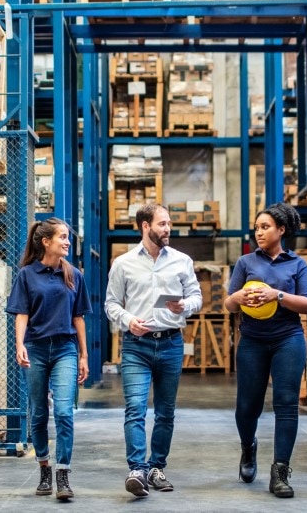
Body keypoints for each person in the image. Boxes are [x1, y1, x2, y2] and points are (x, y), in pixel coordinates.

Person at [105, 203, 203, 498]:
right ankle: (137, 469)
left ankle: (157, 467)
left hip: (172, 342)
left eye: (169, 223)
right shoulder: (123, 264)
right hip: (136, 345)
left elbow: (197, 296)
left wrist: (185, 305)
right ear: (145, 226)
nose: (168, 229)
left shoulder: (182, 261)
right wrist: (128, 320)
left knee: (165, 411)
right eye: (162, 224)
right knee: (135, 408)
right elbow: (111, 304)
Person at [224, 203, 307, 499]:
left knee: (286, 404)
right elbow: (229, 303)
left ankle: (280, 471)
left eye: (265, 227)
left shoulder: (297, 264)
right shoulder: (246, 262)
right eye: (257, 227)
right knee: (247, 406)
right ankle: (248, 447)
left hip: (288, 339)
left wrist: (276, 294)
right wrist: (237, 296)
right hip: (252, 340)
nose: (259, 232)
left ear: (281, 230)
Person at [6, 218, 91, 501]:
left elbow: (78, 317)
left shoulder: (74, 275)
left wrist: (84, 355)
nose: (67, 242)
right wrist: (19, 344)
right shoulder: (27, 275)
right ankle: (44, 466)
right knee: (39, 412)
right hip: (37, 349)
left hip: (66, 348)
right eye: (63, 237)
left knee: (65, 412)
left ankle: (63, 472)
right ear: (46, 242)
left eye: (67, 237)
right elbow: (22, 314)